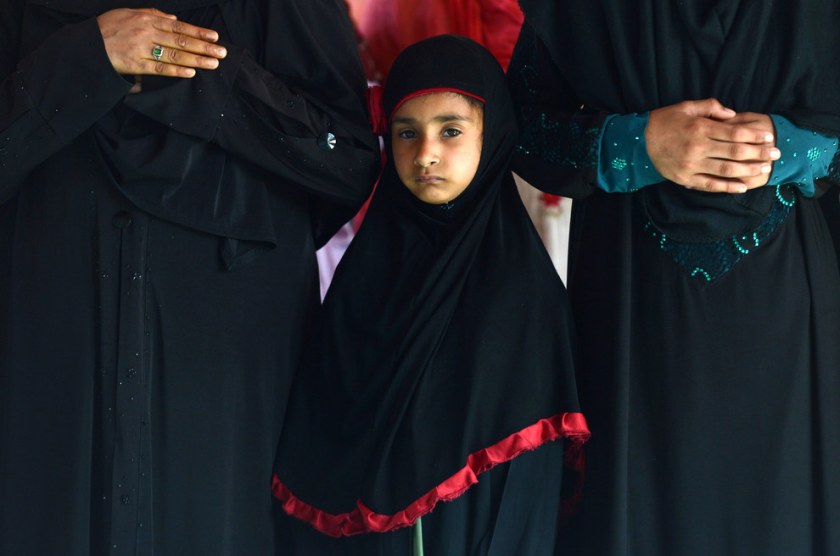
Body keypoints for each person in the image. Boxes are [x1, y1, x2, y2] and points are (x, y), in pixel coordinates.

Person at [0, 1, 378, 553]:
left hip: (220, 356)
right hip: (51, 338)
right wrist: (85, 61)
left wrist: (197, 77)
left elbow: (343, 161)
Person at [508, 1, 840, 555]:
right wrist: (637, 145)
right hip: (635, 307)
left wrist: (791, 149)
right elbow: (517, 127)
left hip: (786, 315)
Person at [272, 35, 589, 555]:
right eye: (406, 133)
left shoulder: (521, 296)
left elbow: (523, 485)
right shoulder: (363, 279)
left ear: (492, 136)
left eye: (450, 131)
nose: (425, 155)